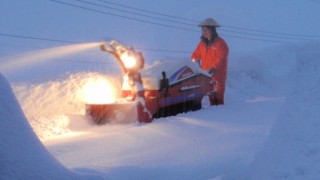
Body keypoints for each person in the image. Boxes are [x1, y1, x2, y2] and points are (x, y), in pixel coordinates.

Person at [191, 18, 229, 105]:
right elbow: (195, 55)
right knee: (209, 98)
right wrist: (194, 63)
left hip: (217, 76)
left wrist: (213, 68)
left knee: (218, 98)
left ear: (212, 30)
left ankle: (221, 114)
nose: (204, 32)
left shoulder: (221, 44)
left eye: (206, 30)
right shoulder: (202, 44)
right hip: (206, 76)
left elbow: (220, 58)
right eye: (203, 30)